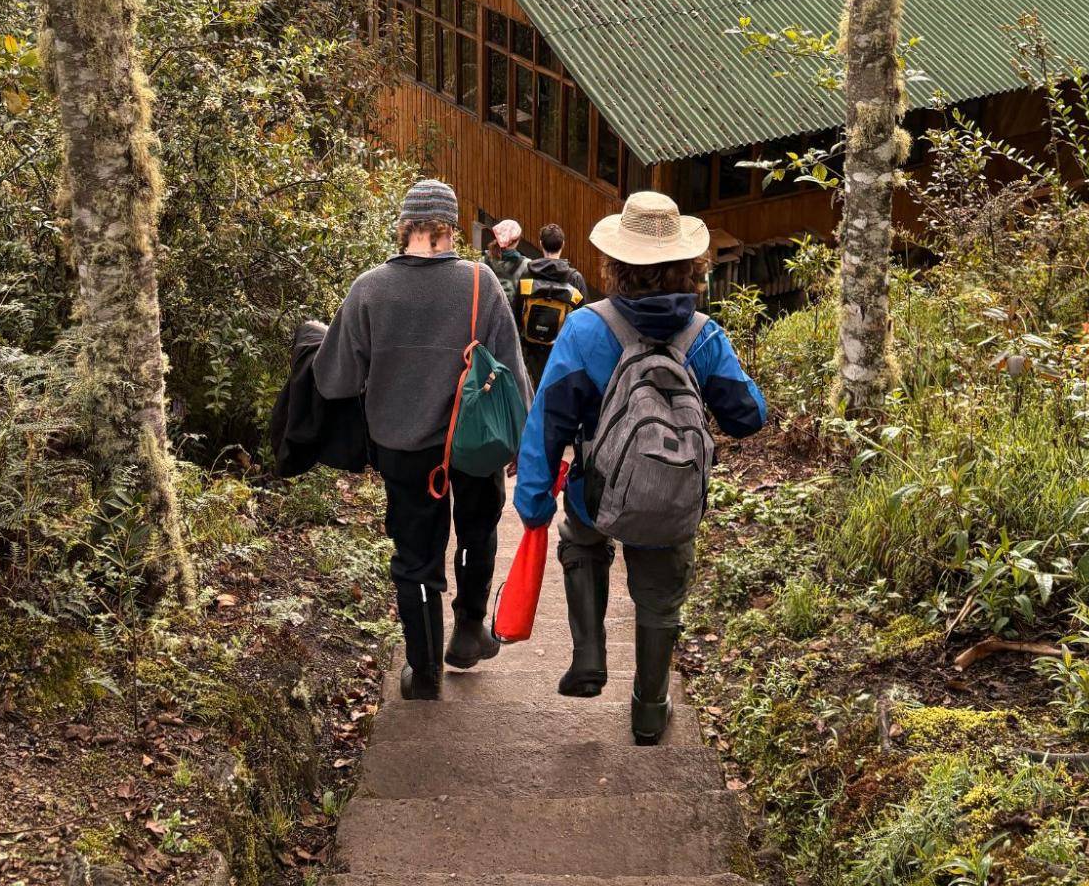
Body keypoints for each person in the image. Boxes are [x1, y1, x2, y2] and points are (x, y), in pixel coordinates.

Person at [513, 190, 767, 744]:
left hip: (597, 496)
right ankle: (650, 710)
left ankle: (588, 654)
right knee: (661, 595)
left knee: (582, 542)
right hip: (671, 496)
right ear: (688, 266)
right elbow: (748, 416)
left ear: (618, 264)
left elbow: (547, 423)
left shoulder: (585, 330)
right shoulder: (704, 335)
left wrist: (533, 499)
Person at [315, 179, 531, 701]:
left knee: (414, 557)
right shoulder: (481, 283)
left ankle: (424, 671)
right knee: (476, 531)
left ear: (403, 227)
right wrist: (522, 443)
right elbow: (515, 375)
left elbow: (336, 379)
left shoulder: (369, 288)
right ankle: (468, 629)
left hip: (404, 448)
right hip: (474, 443)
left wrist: (318, 341)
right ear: (451, 230)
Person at [515, 222, 589, 389]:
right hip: (562, 349)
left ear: (540, 244)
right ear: (563, 244)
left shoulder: (527, 273)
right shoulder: (574, 278)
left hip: (532, 349)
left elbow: (517, 311)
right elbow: (584, 318)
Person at [483, 218, 530, 307]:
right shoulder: (525, 265)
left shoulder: (483, 261)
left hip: (488, 316)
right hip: (512, 318)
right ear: (517, 241)